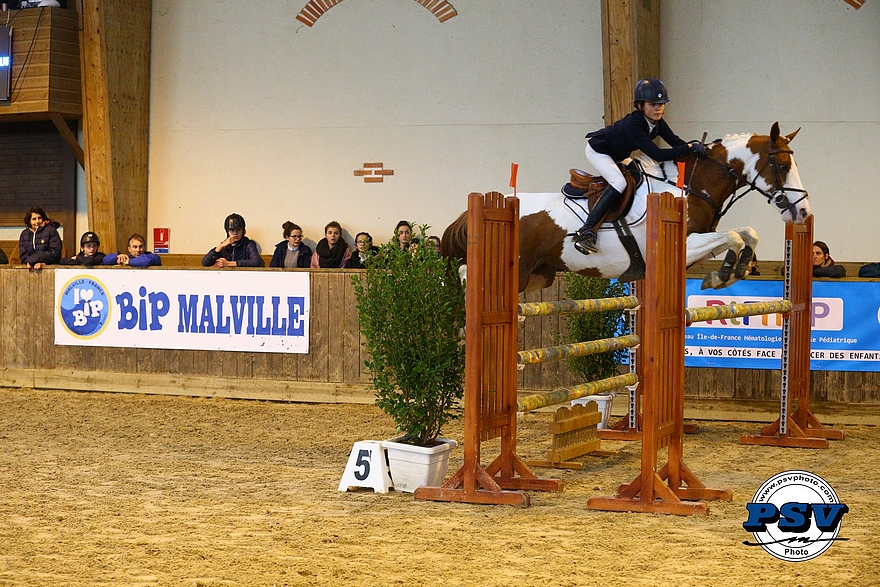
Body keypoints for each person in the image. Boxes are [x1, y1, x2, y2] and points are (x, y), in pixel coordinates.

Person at [573, 78, 707, 255]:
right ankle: (586, 232)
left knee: (641, 176)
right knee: (619, 183)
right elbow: (657, 155)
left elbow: (675, 143)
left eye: (661, 104)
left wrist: (694, 147)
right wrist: (688, 147)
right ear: (641, 105)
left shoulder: (657, 122)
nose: (658, 108)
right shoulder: (634, 125)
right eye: (653, 104)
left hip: (619, 155)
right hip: (599, 151)